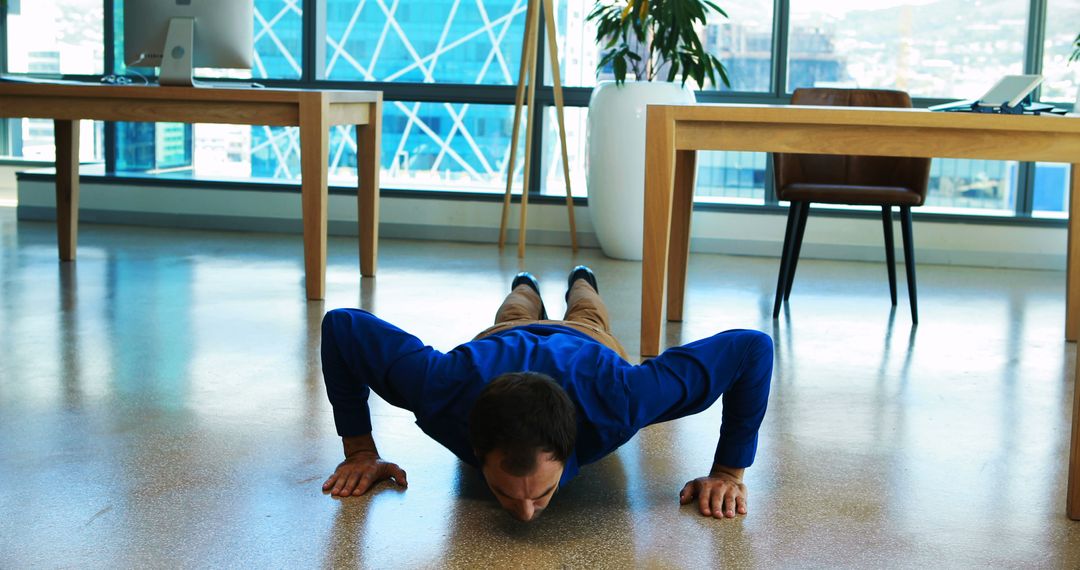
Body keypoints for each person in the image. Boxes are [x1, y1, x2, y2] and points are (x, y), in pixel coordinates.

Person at [320, 266, 773, 522]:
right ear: (472, 443)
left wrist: (729, 472)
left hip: (585, 340)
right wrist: (359, 451)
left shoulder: (620, 399)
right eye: (503, 492)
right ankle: (526, 286)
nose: (526, 515)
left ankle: (582, 280)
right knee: (515, 308)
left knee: (588, 309)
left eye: (541, 494)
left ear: (571, 443)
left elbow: (752, 349)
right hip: (502, 336)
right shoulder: (441, 390)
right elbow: (341, 327)